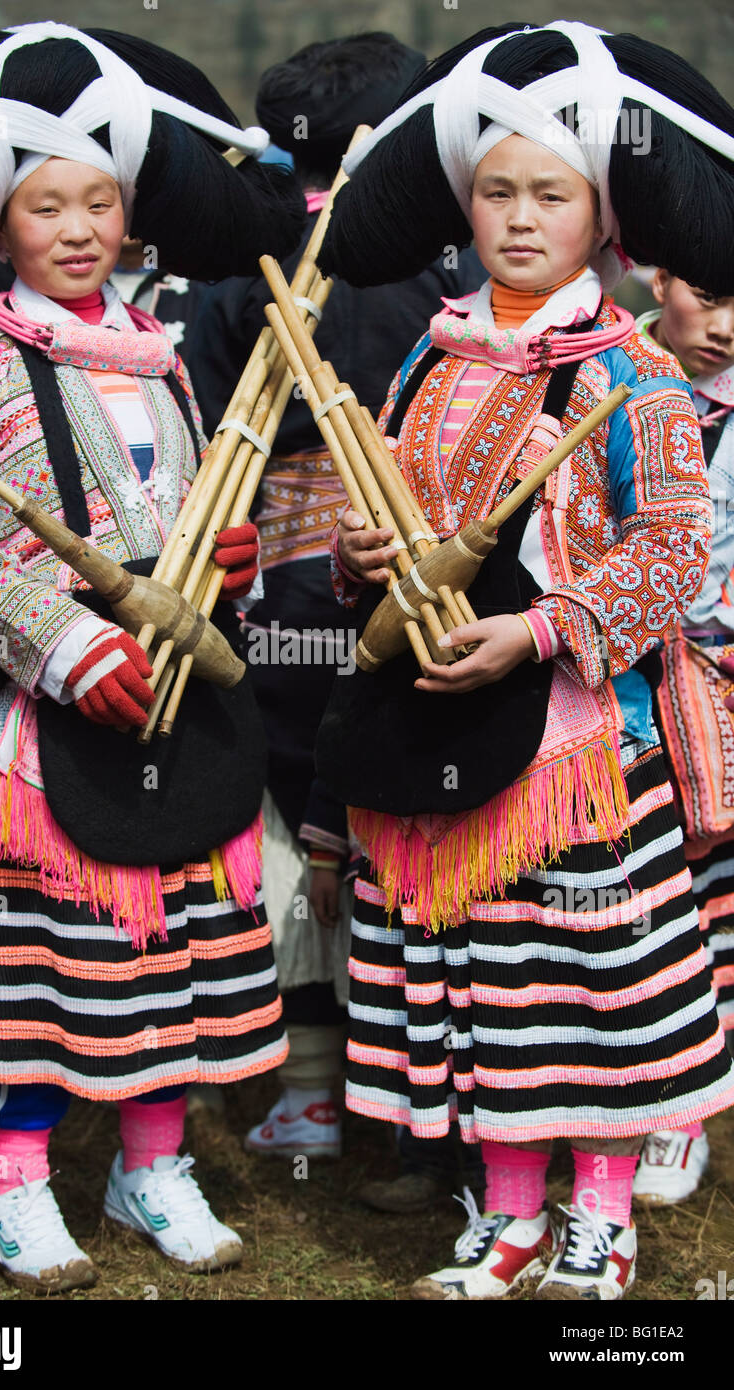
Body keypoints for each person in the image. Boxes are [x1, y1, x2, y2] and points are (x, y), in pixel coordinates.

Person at [0, 21, 305, 1290]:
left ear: (129, 218)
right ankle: (17, 1184)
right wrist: (68, 645)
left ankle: (151, 1165)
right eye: (44, 205)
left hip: (181, 710)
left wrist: (232, 564)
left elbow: (204, 512)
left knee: (180, 959)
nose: (75, 227)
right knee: (57, 968)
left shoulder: (163, 363)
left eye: (98, 203)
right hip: (47, 724)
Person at [316, 20, 734, 1300]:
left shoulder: (636, 374)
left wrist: (542, 628)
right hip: (440, 734)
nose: (517, 216)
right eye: (495, 191)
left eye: (549, 194)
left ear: (603, 217)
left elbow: (674, 557)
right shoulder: (429, 356)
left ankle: (599, 1224)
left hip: (581, 754)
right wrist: (360, 561)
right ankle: (504, 1217)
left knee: (590, 1000)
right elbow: (375, 507)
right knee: (487, 995)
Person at [188, 32, 485, 1171]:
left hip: (270, 577)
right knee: (397, 818)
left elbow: (207, 415)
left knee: (297, 822)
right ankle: (410, 1090)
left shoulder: (238, 266)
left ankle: (314, 1087)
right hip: (415, 581)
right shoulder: (450, 265)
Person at [630, 275, 734, 1204]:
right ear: (660, 279)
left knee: (715, 894)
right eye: (709, 295)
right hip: (618, 679)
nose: (728, 326)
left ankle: (684, 1107)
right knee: (646, 896)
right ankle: (652, 1100)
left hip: (723, 683)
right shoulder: (610, 373)